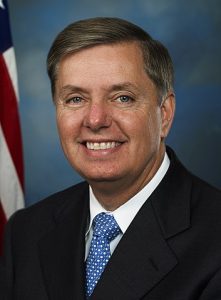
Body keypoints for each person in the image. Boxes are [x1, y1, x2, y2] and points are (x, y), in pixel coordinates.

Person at [1, 17, 221, 300]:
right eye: (76, 99)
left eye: (122, 98)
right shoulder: (26, 231)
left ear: (164, 113)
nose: (95, 120)